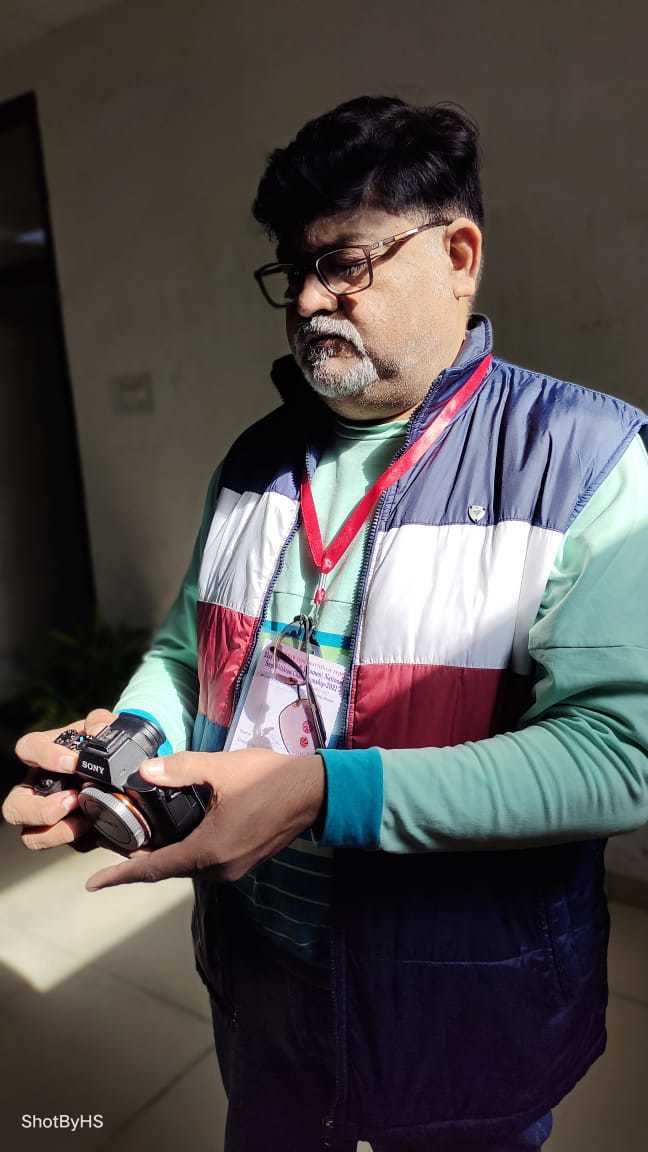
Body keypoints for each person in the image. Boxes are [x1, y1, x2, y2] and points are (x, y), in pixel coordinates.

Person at [5, 95, 648, 1152]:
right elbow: (185, 653)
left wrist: (318, 791)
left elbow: (619, 758)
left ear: (458, 257)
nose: (308, 299)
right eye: (293, 269)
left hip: (459, 999)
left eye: (344, 263)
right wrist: (130, 744)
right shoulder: (253, 462)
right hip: (264, 976)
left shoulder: (586, 461)